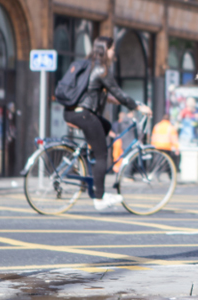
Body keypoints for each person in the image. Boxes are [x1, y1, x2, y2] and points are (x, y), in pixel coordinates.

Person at [63, 36, 152, 210]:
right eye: (112, 49)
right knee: (103, 154)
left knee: (106, 126)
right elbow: (119, 93)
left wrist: (114, 101)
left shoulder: (88, 66)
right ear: (105, 50)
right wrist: (139, 107)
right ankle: (99, 198)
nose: (114, 52)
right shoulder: (102, 70)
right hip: (84, 115)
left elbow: (96, 93)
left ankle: (87, 161)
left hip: (72, 112)